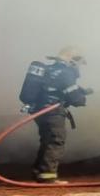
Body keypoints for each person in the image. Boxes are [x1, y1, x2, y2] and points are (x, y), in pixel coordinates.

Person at [20, 47, 91, 183]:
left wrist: (81, 91)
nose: (79, 67)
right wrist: (82, 99)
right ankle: (48, 176)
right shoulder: (66, 72)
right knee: (55, 141)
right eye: (79, 63)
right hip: (53, 112)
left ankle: (39, 172)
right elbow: (75, 98)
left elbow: (54, 88)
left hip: (40, 110)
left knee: (47, 140)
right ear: (72, 60)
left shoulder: (50, 69)